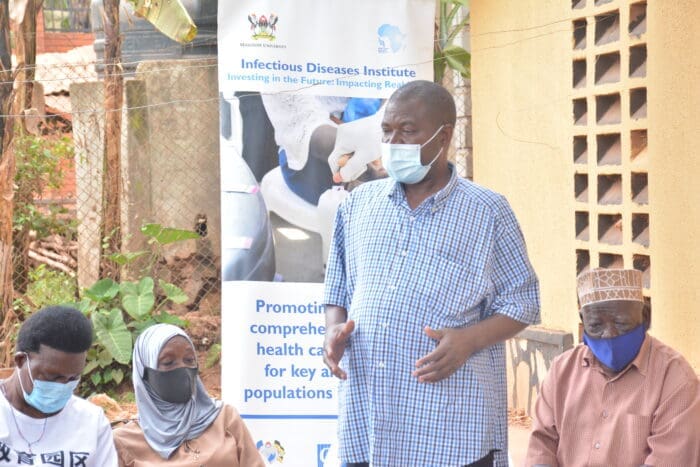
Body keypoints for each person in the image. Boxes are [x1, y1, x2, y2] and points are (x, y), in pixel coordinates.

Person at [322, 80, 540, 467]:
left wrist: (469, 340)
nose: (393, 142)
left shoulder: (487, 211)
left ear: (444, 136)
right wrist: (332, 330)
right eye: (387, 131)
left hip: (450, 423)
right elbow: (337, 286)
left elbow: (523, 300)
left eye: (408, 131)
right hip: (372, 417)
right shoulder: (358, 205)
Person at [525, 268, 700, 466]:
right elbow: (541, 446)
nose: (609, 335)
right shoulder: (561, 371)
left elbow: (670, 460)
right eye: (596, 325)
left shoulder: (676, 379)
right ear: (583, 321)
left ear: (645, 316)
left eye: (621, 322)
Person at [112, 323, 264, 466]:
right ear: (144, 374)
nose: (183, 368)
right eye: (168, 362)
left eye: (189, 360)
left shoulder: (224, 418)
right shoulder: (124, 442)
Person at [0, 305, 118, 465]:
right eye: (52, 376)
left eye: (72, 378)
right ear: (21, 361)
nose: (61, 386)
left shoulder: (90, 422)